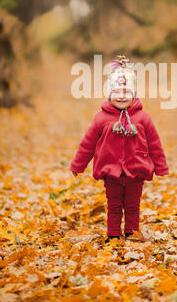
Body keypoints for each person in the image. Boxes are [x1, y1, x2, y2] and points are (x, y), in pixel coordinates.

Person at [70, 55, 169, 243]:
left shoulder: (143, 118)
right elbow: (88, 144)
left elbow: (155, 144)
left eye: (126, 92)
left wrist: (161, 167)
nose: (122, 96)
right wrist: (78, 165)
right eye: (116, 92)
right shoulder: (101, 118)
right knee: (114, 205)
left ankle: (132, 234)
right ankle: (113, 235)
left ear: (134, 95)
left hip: (136, 171)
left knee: (132, 205)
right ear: (109, 94)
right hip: (111, 172)